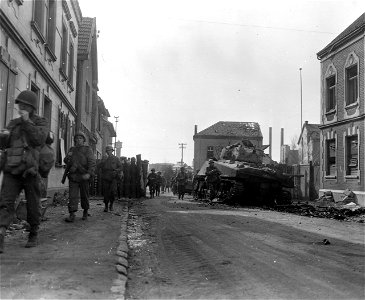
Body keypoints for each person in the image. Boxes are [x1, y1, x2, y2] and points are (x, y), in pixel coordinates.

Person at [0, 90, 49, 252]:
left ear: (32, 107)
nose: (21, 107)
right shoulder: (13, 123)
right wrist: (3, 137)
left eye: (24, 105)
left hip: (30, 170)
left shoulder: (40, 122)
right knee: (5, 203)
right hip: (12, 169)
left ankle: (33, 232)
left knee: (33, 204)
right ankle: (1, 233)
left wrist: (27, 122)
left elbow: (38, 140)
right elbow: (5, 145)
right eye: (19, 105)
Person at [63, 131, 96, 222]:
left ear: (84, 140)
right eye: (77, 138)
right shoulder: (72, 149)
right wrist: (68, 157)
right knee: (72, 196)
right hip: (73, 176)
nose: (78, 140)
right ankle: (72, 214)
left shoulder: (87, 149)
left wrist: (89, 173)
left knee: (84, 195)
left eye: (80, 138)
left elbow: (92, 163)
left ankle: (85, 211)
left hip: (83, 176)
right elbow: (66, 161)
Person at [98, 146, 123, 212]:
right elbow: (99, 166)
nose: (108, 152)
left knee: (113, 192)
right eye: (107, 150)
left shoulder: (116, 158)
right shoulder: (104, 158)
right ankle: (106, 206)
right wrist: (103, 161)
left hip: (113, 177)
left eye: (110, 150)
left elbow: (120, 167)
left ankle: (111, 205)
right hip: (106, 176)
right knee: (106, 192)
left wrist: (116, 171)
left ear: (112, 151)